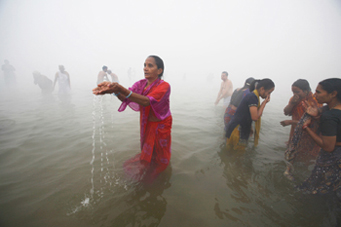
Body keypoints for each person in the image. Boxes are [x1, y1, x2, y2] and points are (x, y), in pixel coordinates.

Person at [93, 55, 172, 183]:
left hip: (161, 124)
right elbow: (127, 97)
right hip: (147, 123)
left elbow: (147, 101)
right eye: (145, 65)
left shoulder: (164, 86)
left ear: (159, 70)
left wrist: (120, 88)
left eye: (150, 66)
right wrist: (113, 90)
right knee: (147, 152)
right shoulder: (140, 84)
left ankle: (160, 173)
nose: (145, 68)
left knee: (160, 154)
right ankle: (149, 166)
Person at [297, 78, 341, 195]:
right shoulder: (332, 110)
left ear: (333, 94)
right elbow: (322, 110)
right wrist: (317, 113)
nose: (315, 94)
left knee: (318, 189)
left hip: (334, 157)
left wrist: (307, 129)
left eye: (319, 92)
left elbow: (328, 147)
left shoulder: (330, 116)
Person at [281, 79, 322, 180]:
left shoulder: (314, 101)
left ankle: (304, 176)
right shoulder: (295, 99)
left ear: (306, 91)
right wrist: (292, 103)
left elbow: (313, 121)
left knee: (307, 158)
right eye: (293, 92)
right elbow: (286, 112)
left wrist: (290, 122)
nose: (295, 94)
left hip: (309, 133)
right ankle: (289, 172)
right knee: (292, 152)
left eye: (297, 92)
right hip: (295, 131)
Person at [225, 79, 275, 151]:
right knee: (237, 156)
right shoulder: (253, 97)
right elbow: (255, 117)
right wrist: (264, 102)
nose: (269, 95)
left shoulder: (252, 95)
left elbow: (245, 113)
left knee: (229, 153)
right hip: (237, 131)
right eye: (269, 92)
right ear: (262, 89)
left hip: (235, 128)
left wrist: (250, 127)